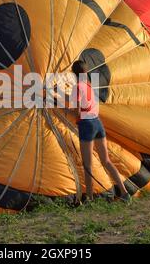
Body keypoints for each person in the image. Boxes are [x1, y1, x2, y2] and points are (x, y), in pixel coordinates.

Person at [53, 60, 132, 204]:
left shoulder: (77, 87)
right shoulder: (89, 85)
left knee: (87, 164)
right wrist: (58, 94)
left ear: (73, 73)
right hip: (97, 123)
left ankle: (89, 198)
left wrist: (59, 107)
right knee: (106, 161)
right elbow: (75, 100)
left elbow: (76, 111)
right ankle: (124, 193)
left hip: (87, 125)